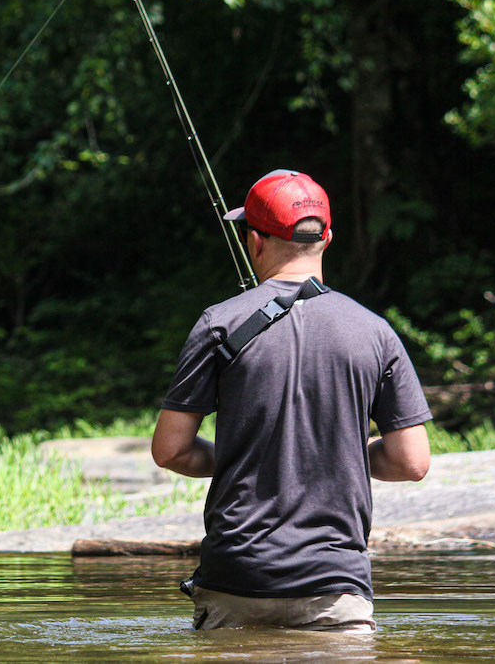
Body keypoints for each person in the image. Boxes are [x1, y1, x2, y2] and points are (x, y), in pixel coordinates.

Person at [151, 169, 432, 633]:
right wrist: (332, 454)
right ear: (327, 239)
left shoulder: (217, 324)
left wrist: (255, 457)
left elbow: (171, 450)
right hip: (334, 585)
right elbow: (411, 462)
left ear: (255, 241)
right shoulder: (375, 331)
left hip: (236, 578)